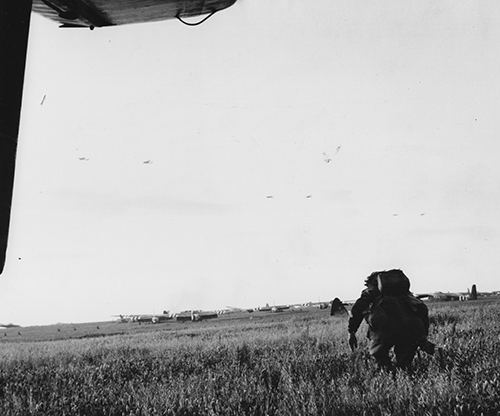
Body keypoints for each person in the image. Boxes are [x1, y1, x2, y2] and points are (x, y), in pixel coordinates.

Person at [348, 269, 435, 369]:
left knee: (381, 360)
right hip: (412, 329)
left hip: (385, 331)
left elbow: (357, 310)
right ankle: (405, 377)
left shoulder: (371, 291)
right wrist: (422, 338)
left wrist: (351, 331)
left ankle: (389, 376)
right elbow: (422, 312)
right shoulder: (407, 295)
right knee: (405, 365)